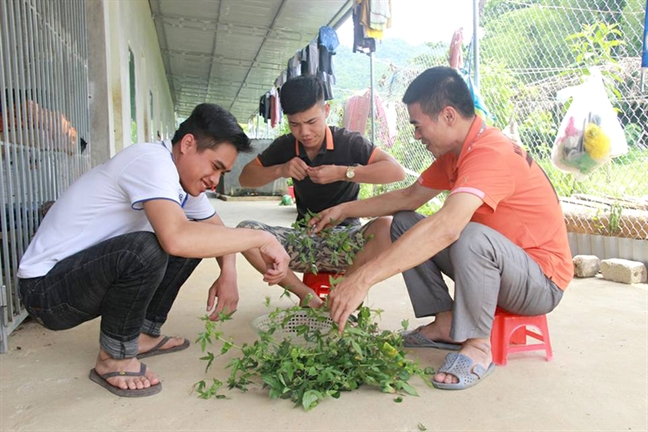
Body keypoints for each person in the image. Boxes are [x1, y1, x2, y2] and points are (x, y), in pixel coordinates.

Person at [310, 67, 573, 390]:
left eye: (418, 126)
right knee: (405, 221)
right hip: (499, 269)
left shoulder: (490, 153)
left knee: (470, 237)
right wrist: (344, 209)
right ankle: (446, 323)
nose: (417, 136)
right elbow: (408, 197)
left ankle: (478, 345)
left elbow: (448, 227)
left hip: (540, 282)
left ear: (448, 115)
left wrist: (362, 279)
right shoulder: (458, 152)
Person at [17, 104, 290, 397]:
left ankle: (141, 336)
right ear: (188, 144)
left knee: (194, 238)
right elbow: (175, 239)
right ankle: (114, 357)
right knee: (147, 248)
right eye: (215, 167)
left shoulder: (182, 184)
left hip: (76, 280)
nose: (215, 181)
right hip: (45, 292)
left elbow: (216, 230)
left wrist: (229, 273)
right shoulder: (150, 161)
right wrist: (262, 238)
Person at [237, 75, 405, 307]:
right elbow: (245, 178)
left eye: (311, 121)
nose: (304, 132)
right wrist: (281, 169)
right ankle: (307, 296)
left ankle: (342, 293)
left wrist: (343, 172)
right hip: (304, 239)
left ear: (326, 110)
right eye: (295, 124)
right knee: (245, 232)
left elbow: (395, 171)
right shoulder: (286, 146)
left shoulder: (348, 142)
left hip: (347, 239)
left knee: (387, 226)